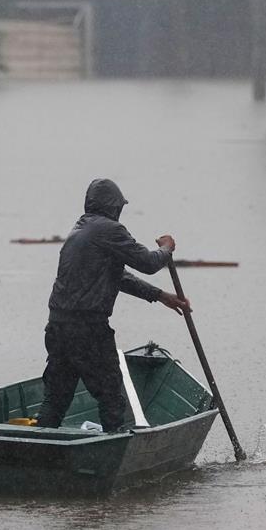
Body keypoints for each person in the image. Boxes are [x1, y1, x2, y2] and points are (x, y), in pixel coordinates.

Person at [37, 178, 191, 433]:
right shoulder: (110, 230)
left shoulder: (79, 230)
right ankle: (115, 451)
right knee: (111, 397)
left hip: (58, 327)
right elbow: (149, 263)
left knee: (56, 397)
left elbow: (116, 276)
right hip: (89, 330)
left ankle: (37, 450)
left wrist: (160, 295)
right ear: (113, 206)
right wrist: (167, 248)